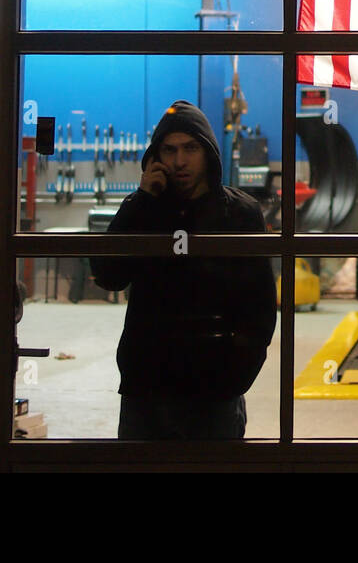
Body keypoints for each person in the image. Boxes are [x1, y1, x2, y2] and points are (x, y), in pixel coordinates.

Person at [90, 100, 275, 440]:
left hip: (214, 390)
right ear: (156, 156)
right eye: (170, 150)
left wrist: (236, 374)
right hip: (147, 387)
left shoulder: (239, 214)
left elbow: (259, 306)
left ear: (208, 153)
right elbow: (108, 274)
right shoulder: (145, 209)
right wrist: (141, 202)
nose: (179, 161)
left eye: (190, 149)